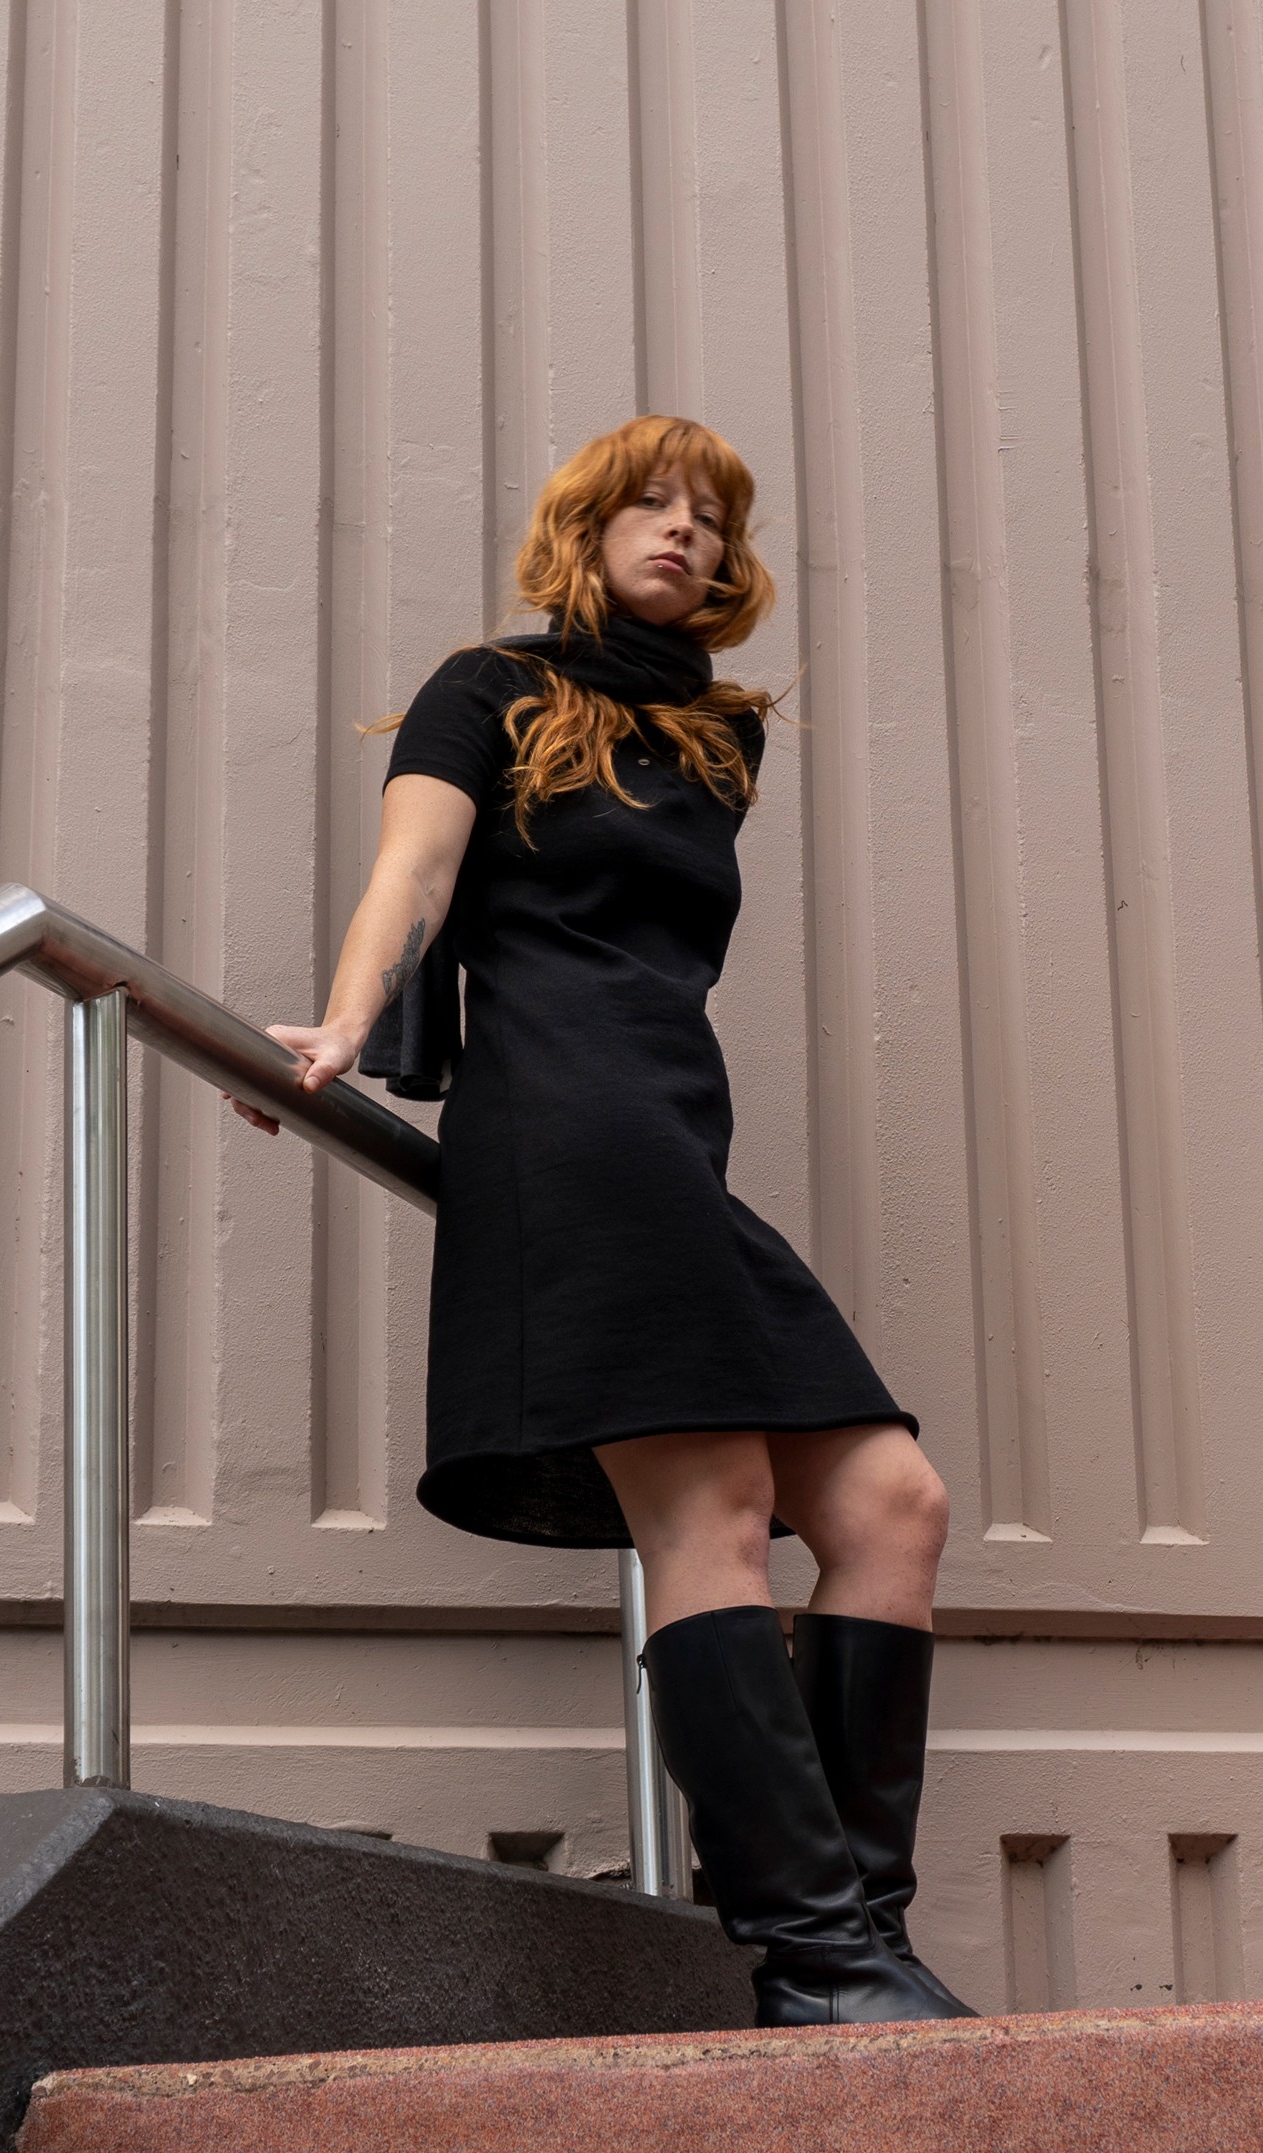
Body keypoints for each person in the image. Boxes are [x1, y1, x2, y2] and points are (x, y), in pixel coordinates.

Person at [232, 414, 969, 2026]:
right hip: (562, 1131)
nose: (684, 531)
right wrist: (345, 1029)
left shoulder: (722, 740)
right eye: (652, 501)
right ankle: (819, 1955)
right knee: (704, 1511)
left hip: (674, 1133)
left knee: (891, 1503)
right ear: (584, 523)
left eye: (711, 517)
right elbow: (413, 878)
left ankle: (861, 1929)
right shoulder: (487, 690)